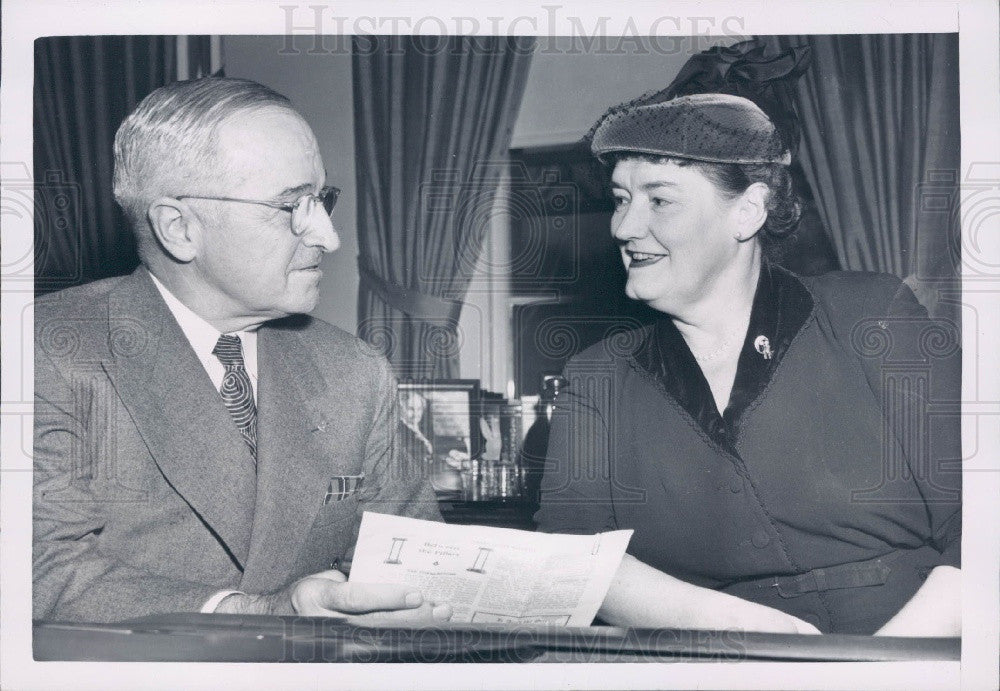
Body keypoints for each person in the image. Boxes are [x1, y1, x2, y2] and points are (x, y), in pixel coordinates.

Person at [534, 92, 961, 636]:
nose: (622, 227)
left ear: (747, 211)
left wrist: (880, 666)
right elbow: (575, 556)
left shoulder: (869, 316)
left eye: (659, 201)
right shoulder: (597, 377)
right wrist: (744, 629)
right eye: (621, 200)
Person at [33, 77, 451, 624]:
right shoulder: (43, 351)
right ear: (178, 228)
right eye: (290, 206)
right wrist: (256, 613)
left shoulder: (353, 371)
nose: (328, 237)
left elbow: (419, 564)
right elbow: (37, 570)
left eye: (321, 200)